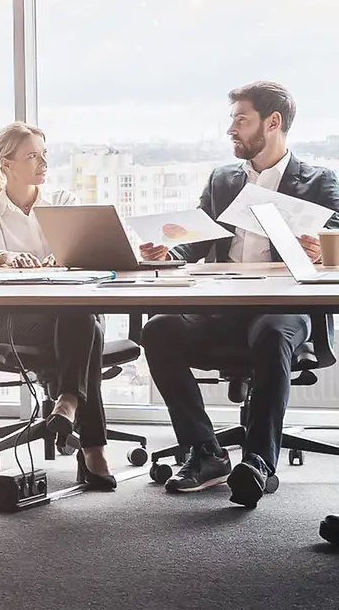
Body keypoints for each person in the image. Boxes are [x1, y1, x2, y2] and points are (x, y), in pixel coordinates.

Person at [138, 81, 339, 508]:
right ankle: (205, 452)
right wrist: (167, 249)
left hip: (286, 308)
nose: (231, 129)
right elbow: (194, 241)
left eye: (241, 119)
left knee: (270, 332)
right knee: (158, 330)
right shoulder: (222, 179)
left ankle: (259, 464)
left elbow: (337, 241)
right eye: (231, 120)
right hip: (223, 306)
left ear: (273, 122)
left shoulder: (319, 181)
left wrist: (325, 249)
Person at [0, 122, 116, 489]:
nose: (43, 162)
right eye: (32, 156)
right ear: (7, 164)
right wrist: (4, 257)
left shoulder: (62, 202)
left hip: (70, 311)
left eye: (45, 154)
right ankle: (90, 444)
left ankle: (66, 404)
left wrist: (66, 259)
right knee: (88, 328)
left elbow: (86, 249)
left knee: (81, 318)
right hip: (17, 323)